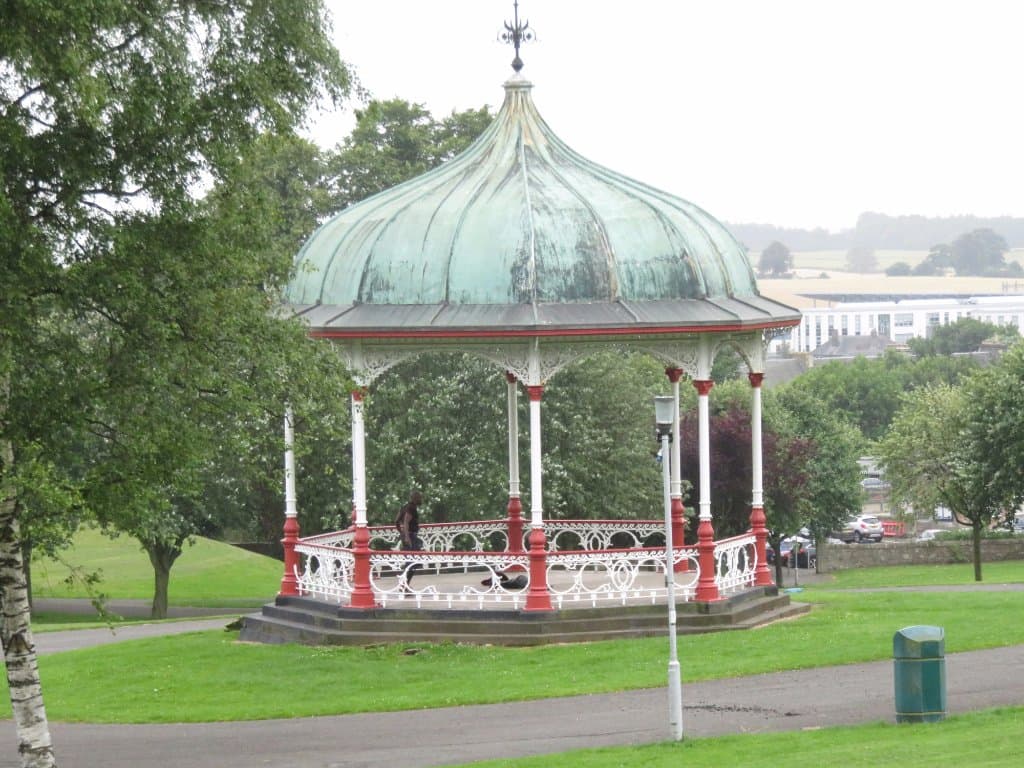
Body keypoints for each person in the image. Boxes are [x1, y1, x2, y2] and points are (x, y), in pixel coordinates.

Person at [395, 490, 424, 589]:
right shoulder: (411, 508)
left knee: (412, 561)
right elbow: (406, 521)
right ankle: (404, 585)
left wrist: (401, 533)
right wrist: (407, 536)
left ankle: (404, 585)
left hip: (408, 536)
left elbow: (397, 521)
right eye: (420, 497)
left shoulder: (404, 507)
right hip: (410, 537)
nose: (421, 499)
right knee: (413, 562)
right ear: (415, 498)